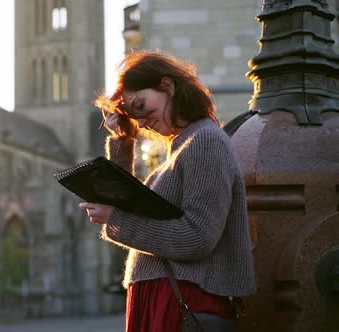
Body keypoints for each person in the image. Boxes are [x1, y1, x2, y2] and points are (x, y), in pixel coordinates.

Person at [79, 51, 256, 331]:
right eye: (130, 113)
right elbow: (133, 207)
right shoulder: (182, 146)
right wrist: (122, 141)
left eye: (141, 104)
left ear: (168, 86)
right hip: (168, 299)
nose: (140, 118)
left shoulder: (205, 141)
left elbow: (198, 237)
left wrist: (116, 221)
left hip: (182, 302)